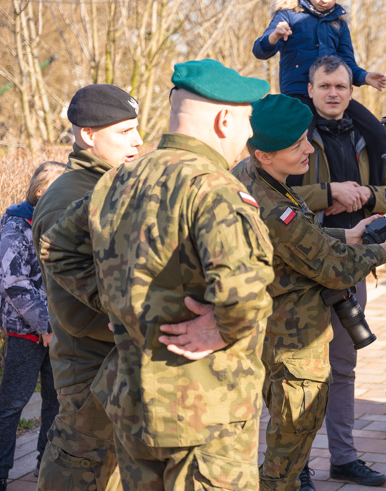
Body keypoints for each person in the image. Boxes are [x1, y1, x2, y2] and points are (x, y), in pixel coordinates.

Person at [39, 59, 276, 489]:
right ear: (224, 120)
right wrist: (220, 331)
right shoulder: (214, 188)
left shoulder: (120, 179)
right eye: (246, 122)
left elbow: (56, 247)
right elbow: (246, 294)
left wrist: (122, 302)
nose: (248, 136)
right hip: (206, 411)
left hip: (136, 404)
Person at [232, 93, 386, 491]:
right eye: (296, 144)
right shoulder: (267, 202)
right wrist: (383, 250)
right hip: (290, 335)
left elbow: (299, 234)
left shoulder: (249, 175)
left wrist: (347, 234)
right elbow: (329, 267)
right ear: (264, 153)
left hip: (274, 326)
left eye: (306, 138)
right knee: (290, 440)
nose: (308, 149)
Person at [285, 56, 386, 487]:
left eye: (341, 87)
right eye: (325, 85)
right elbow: (272, 194)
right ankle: (295, 466)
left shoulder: (369, 135)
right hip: (301, 268)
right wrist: (327, 192)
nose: (333, 93)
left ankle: (344, 458)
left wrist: (366, 195)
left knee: (343, 369)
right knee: (298, 374)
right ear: (309, 89)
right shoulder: (292, 133)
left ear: (352, 91)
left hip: (352, 266)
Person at [32, 84, 144, 491]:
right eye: (124, 131)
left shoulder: (113, 186)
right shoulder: (70, 198)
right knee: (81, 467)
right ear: (88, 135)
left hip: (117, 358)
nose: (138, 141)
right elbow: (76, 303)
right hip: (90, 365)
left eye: (137, 129)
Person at [252, 0, 386, 179]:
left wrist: (364, 77)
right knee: (298, 142)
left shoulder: (339, 24)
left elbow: (347, 62)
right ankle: (293, 194)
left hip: (329, 90)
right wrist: (276, 35)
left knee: (376, 131)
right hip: (298, 93)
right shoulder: (289, 14)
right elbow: (260, 51)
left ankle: (375, 184)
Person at [0, 162, 64, 491]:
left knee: (56, 402)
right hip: (25, 332)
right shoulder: (15, 225)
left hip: (58, 332)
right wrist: (45, 324)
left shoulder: (60, 223)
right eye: (58, 185)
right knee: (12, 404)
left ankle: (45, 468)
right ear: (40, 191)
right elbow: (15, 283)